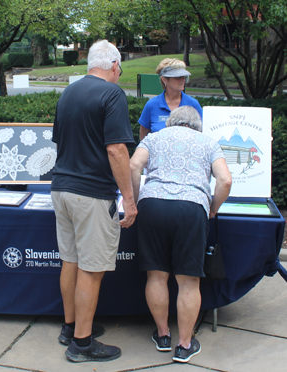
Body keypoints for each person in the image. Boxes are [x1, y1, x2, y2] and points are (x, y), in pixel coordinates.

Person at [51, 39, 137, 363]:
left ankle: (70, 327)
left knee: (70, 261)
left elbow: (61, 141)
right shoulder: (112, 93)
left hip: (61, 189)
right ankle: (82, 344)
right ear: (114, 65)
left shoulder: (68, 92)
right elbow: (116, 149)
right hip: (91, 194)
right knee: (92, 269)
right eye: (120, 68)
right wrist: (129, 199)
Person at [130, 106, 232, 363]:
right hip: (190, 208)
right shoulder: (208, 142)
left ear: (170, 123)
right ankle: (184, 345)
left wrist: (135, 198)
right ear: (196, 125)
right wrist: (212, 207)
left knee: (156, 275)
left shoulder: (152, 138)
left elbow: (133, 166)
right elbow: (225, 180)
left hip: (152, 205)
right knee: (188, 281)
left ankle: (163, 335)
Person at [138, 58, 203, 141]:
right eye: (178, 77)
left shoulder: (193, 104)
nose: (183, 79)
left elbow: (202, 134)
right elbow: (143, 139)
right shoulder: (151, 105)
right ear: (164, 79)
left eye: (184, 76)